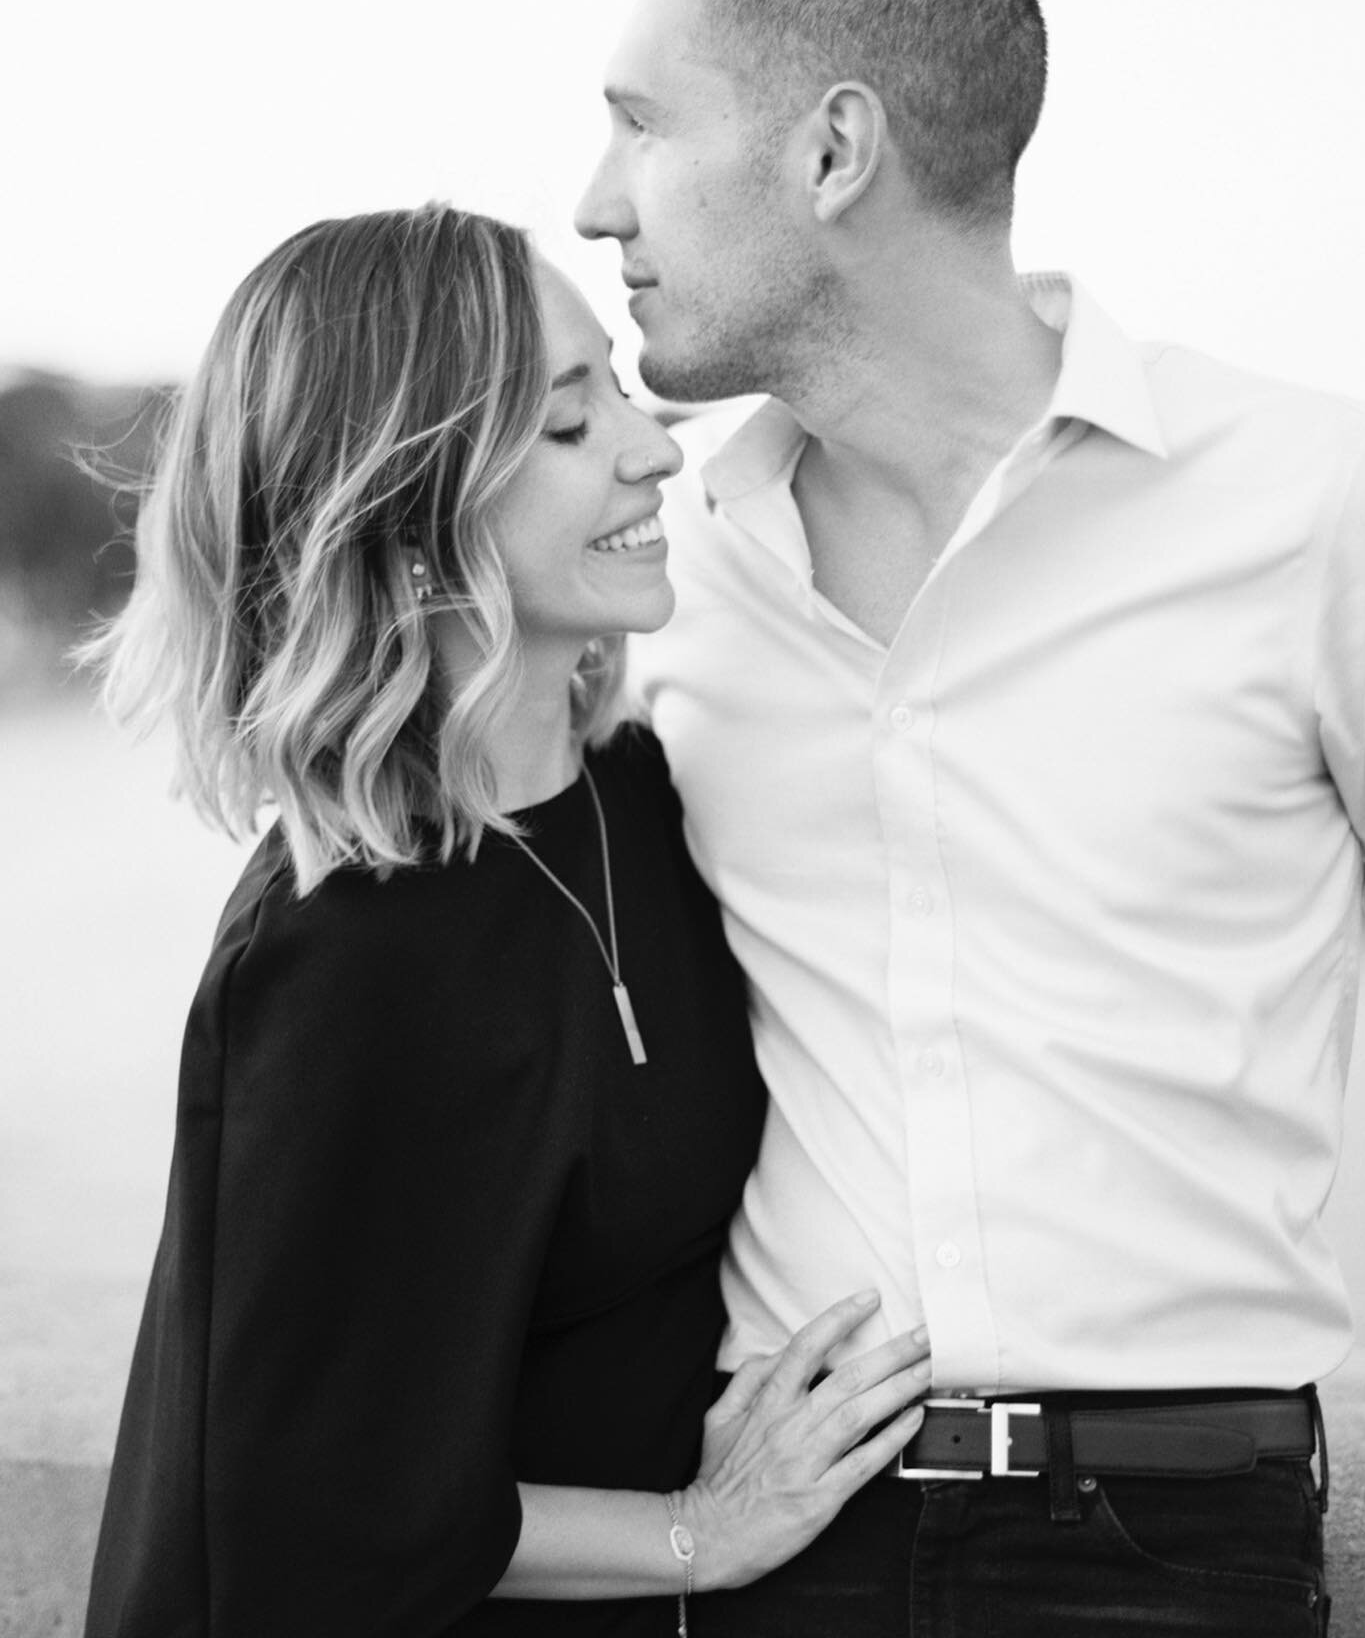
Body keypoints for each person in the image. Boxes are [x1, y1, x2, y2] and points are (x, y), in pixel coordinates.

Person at [575, 0, 1365, 1633]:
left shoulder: (1322, 501)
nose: (593, 204)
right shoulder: (668, 568)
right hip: (785, 1532)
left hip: (1183, 1545)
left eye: (641, 125)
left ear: (833, 149)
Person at [79, 203, 935, 1637]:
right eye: (563, 423)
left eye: (622, 390)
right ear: (408, 507)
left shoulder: (637, 802)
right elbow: (301, 1504)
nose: (657, 447)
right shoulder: (344, 956)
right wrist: (693, 1533)